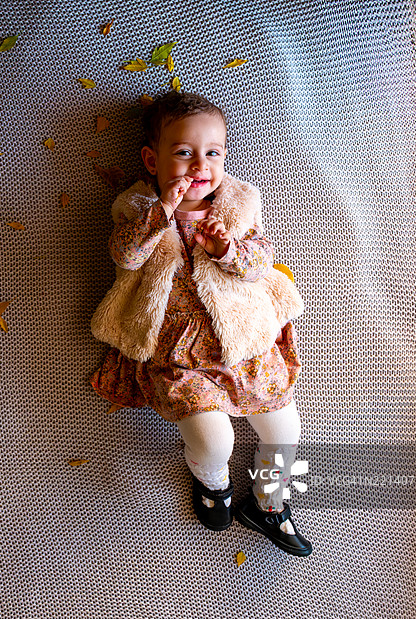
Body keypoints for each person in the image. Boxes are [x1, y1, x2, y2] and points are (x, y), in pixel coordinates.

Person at [90, 91, 312, 556]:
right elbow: (125, 258)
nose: (199, 166)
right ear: (152, 160)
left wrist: (227, 251)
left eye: (212, 153)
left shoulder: (236, 206)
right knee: (216, 441)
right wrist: (161, 216)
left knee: (285, 431)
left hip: (243, 342)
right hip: (180, 354)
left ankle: (269, 503)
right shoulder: (135, 208)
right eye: (184, 153)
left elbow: (262, 261)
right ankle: (214, 483)